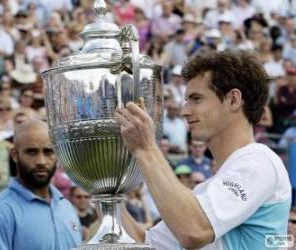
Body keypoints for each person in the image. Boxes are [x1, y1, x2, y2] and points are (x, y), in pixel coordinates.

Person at [116, 50, 291, 249]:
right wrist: (102, 190)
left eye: (196, 99)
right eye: (186, 100)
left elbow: (193, 232)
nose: (185, 111)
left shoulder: (260, 162)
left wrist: (146, 148)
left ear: (233, 100)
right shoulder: (204, 192)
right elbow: (146, 244)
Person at [0, 120, 82, 250]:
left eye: (48, 152)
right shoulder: (1, 211)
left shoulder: (66, 206)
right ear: (15, 155)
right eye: (31, 152)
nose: (41, 161)